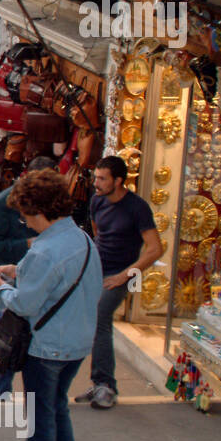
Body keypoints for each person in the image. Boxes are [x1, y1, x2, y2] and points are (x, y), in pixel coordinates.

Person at [0, 169, 102, 441]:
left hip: (47, 345)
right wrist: (18, 269)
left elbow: (24, 304)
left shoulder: (44, 250)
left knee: (40, 418)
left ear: (39, 211)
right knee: (57, 409)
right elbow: (65, 279)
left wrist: (1, 287)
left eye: (27, 215)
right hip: (78, 341)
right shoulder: (81, 238)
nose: (26, 222)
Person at [76, 155, 161, 409]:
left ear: (119, 181)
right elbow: (98, 233)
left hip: (121, 273)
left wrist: (126, 275)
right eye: (96, 177)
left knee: (101, 318)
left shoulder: (137, 207)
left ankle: (106, 385)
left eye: (102, 178)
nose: (96, 183)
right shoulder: (97, 201)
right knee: (90, 321)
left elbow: (155, 248)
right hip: (97, 269)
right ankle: (99, 382)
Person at [0, 156, 58, 395]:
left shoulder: (49, 204)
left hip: (40, 276)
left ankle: (32, 391)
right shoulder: (5, 202)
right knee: (11, 337)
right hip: (12, 279)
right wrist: (26, 243)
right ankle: (0, 389)